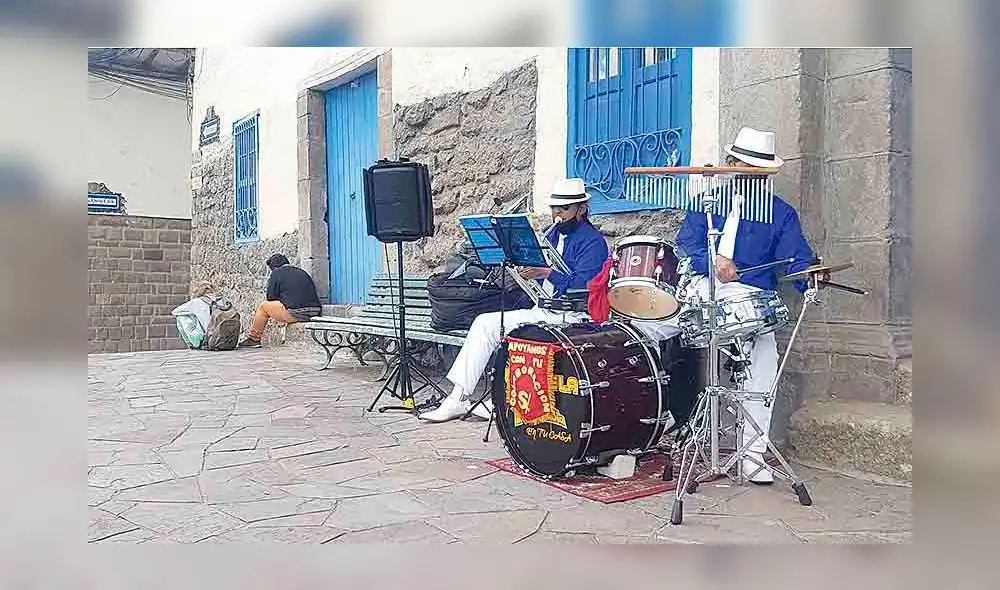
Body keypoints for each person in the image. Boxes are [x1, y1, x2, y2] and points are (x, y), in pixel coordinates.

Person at [631, 127, 821, 483]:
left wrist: (809, 275)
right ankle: (646, 421)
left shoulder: (781, 214)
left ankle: (753, 455)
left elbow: (796, 259)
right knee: (645, 329)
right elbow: (686, 245)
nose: (753, 177)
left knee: (765, 356)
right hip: (702, 290)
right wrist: (713, 262)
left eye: (760, 172)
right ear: (731, 165)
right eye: (745, 167)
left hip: (749, 301)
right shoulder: (708, 203)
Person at [418, 178, 610, 422]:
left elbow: (586, 285)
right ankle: (458, 397)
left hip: (573, 316)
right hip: (544, 309)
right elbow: (539, 277)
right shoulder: (550, 237)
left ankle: (505, 400)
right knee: (485, 323)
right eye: (554, 208)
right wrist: (525, 270)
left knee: (525, 337)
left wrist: (548, 273)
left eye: (564, 209)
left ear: (581, 209)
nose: (557, 214)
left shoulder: (593, 242)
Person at [238, 254, 322, 348]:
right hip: (315, 311)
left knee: (263, 307)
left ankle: (254, 338)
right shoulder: (302, 272)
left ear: (273, 267)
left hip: (296, 314)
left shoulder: (276, 273)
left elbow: (270, 298)